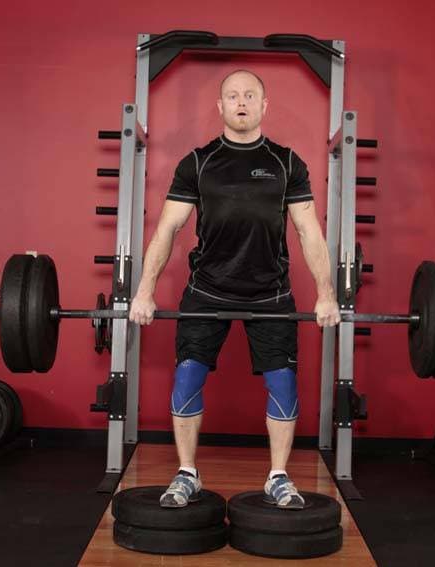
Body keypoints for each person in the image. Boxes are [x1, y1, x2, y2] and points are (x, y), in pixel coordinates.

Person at [128, 69, 340, 510]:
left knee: (283, 383)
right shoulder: (197, 162)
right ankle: (187, 472)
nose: (241, 102)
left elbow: (309, 232)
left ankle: (278, 476)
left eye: (249, 95)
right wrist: (145, 291)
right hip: (207, 289)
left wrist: (327, 294)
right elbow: (167, 228)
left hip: (270, 293)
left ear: (264, 105)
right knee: (188, 374)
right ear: (220, 106)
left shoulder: (287, 163)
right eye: (232, 96)